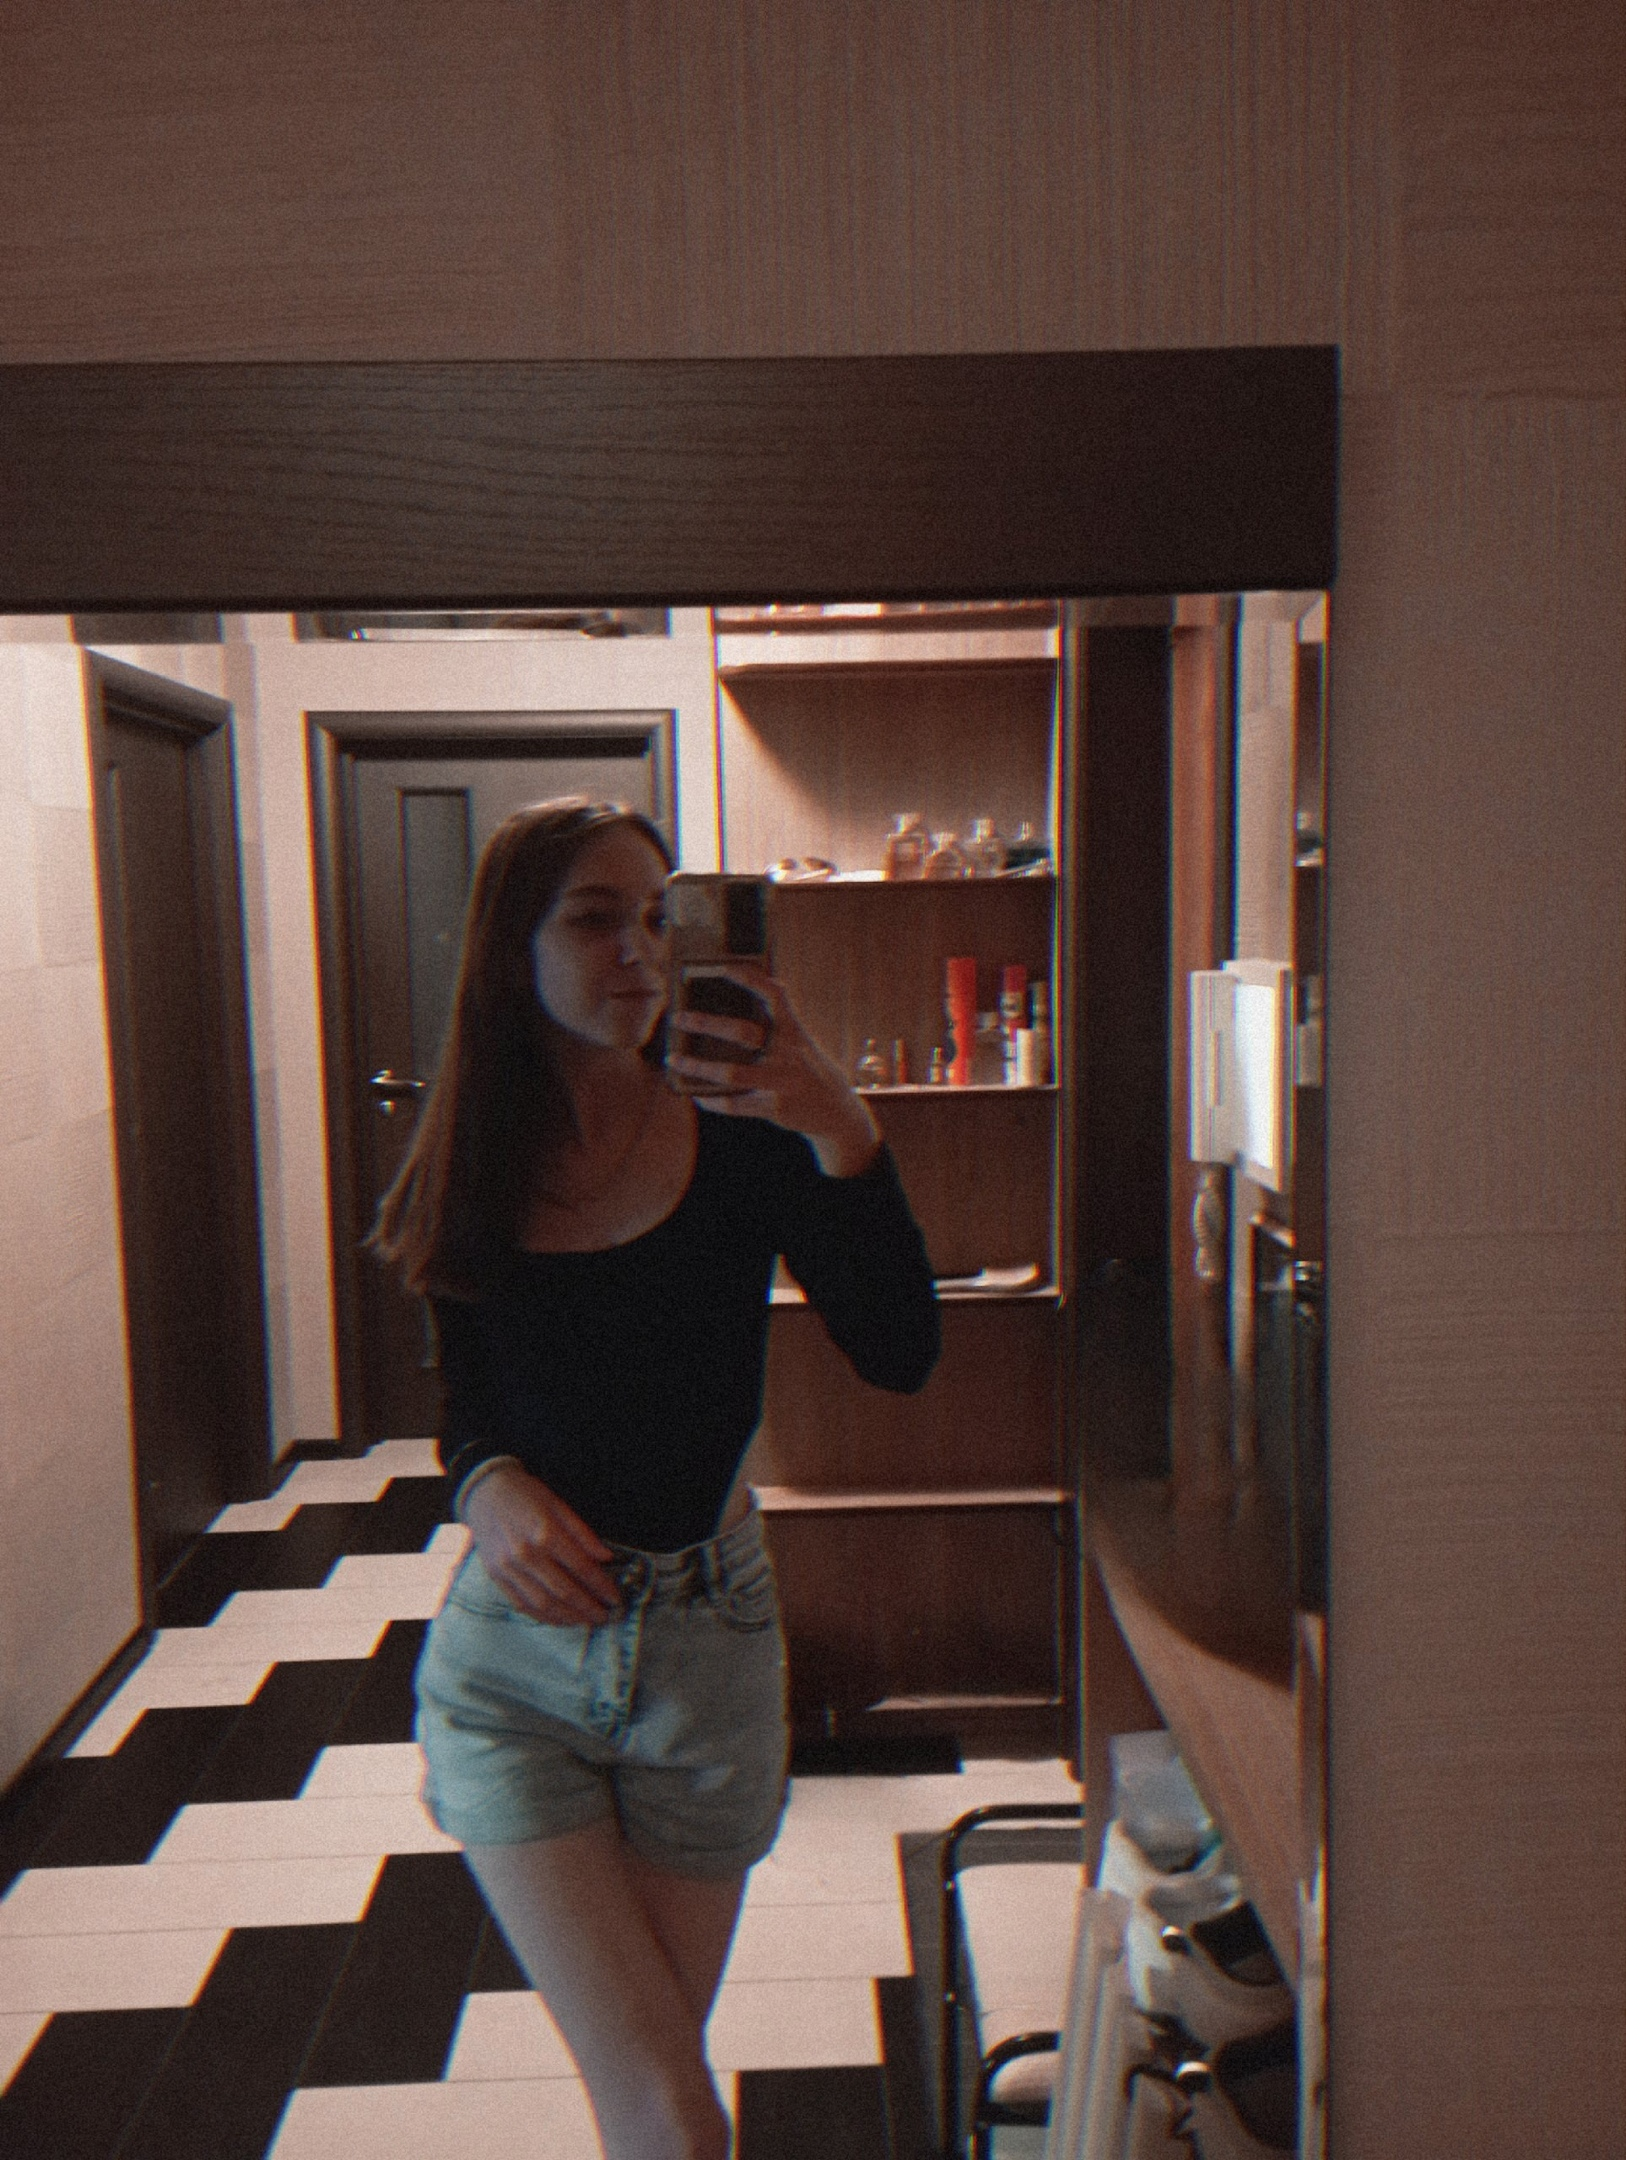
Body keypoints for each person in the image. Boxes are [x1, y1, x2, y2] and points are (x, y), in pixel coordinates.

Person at [370, 798, 939, 2160]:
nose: (638, 950)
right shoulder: (474, 1150)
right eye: (593, 920)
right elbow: (468, 1409)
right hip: (514, 1669)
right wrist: (483, 1484)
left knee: (655, 2097)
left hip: (705, 1652)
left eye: (654, 915)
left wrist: (840, 1127)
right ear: (513, 945)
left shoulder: (743, 1130)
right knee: (666, 2105)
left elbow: (899, 1351)